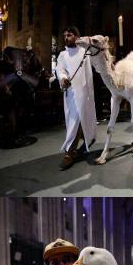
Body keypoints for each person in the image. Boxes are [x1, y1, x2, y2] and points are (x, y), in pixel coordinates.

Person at [55, 26, 96, 170]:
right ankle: (87, 137)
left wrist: (89, 92)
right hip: (70, 93)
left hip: (83, 93)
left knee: (78, 119)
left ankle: (69, 152)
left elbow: (89, 74)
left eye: (70, 35)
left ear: (77, 37)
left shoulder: (84, 53)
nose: (66, 37)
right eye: (65, 35)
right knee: (72, 120)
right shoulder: (62, 55)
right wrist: (63, 78)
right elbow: (59, 69)